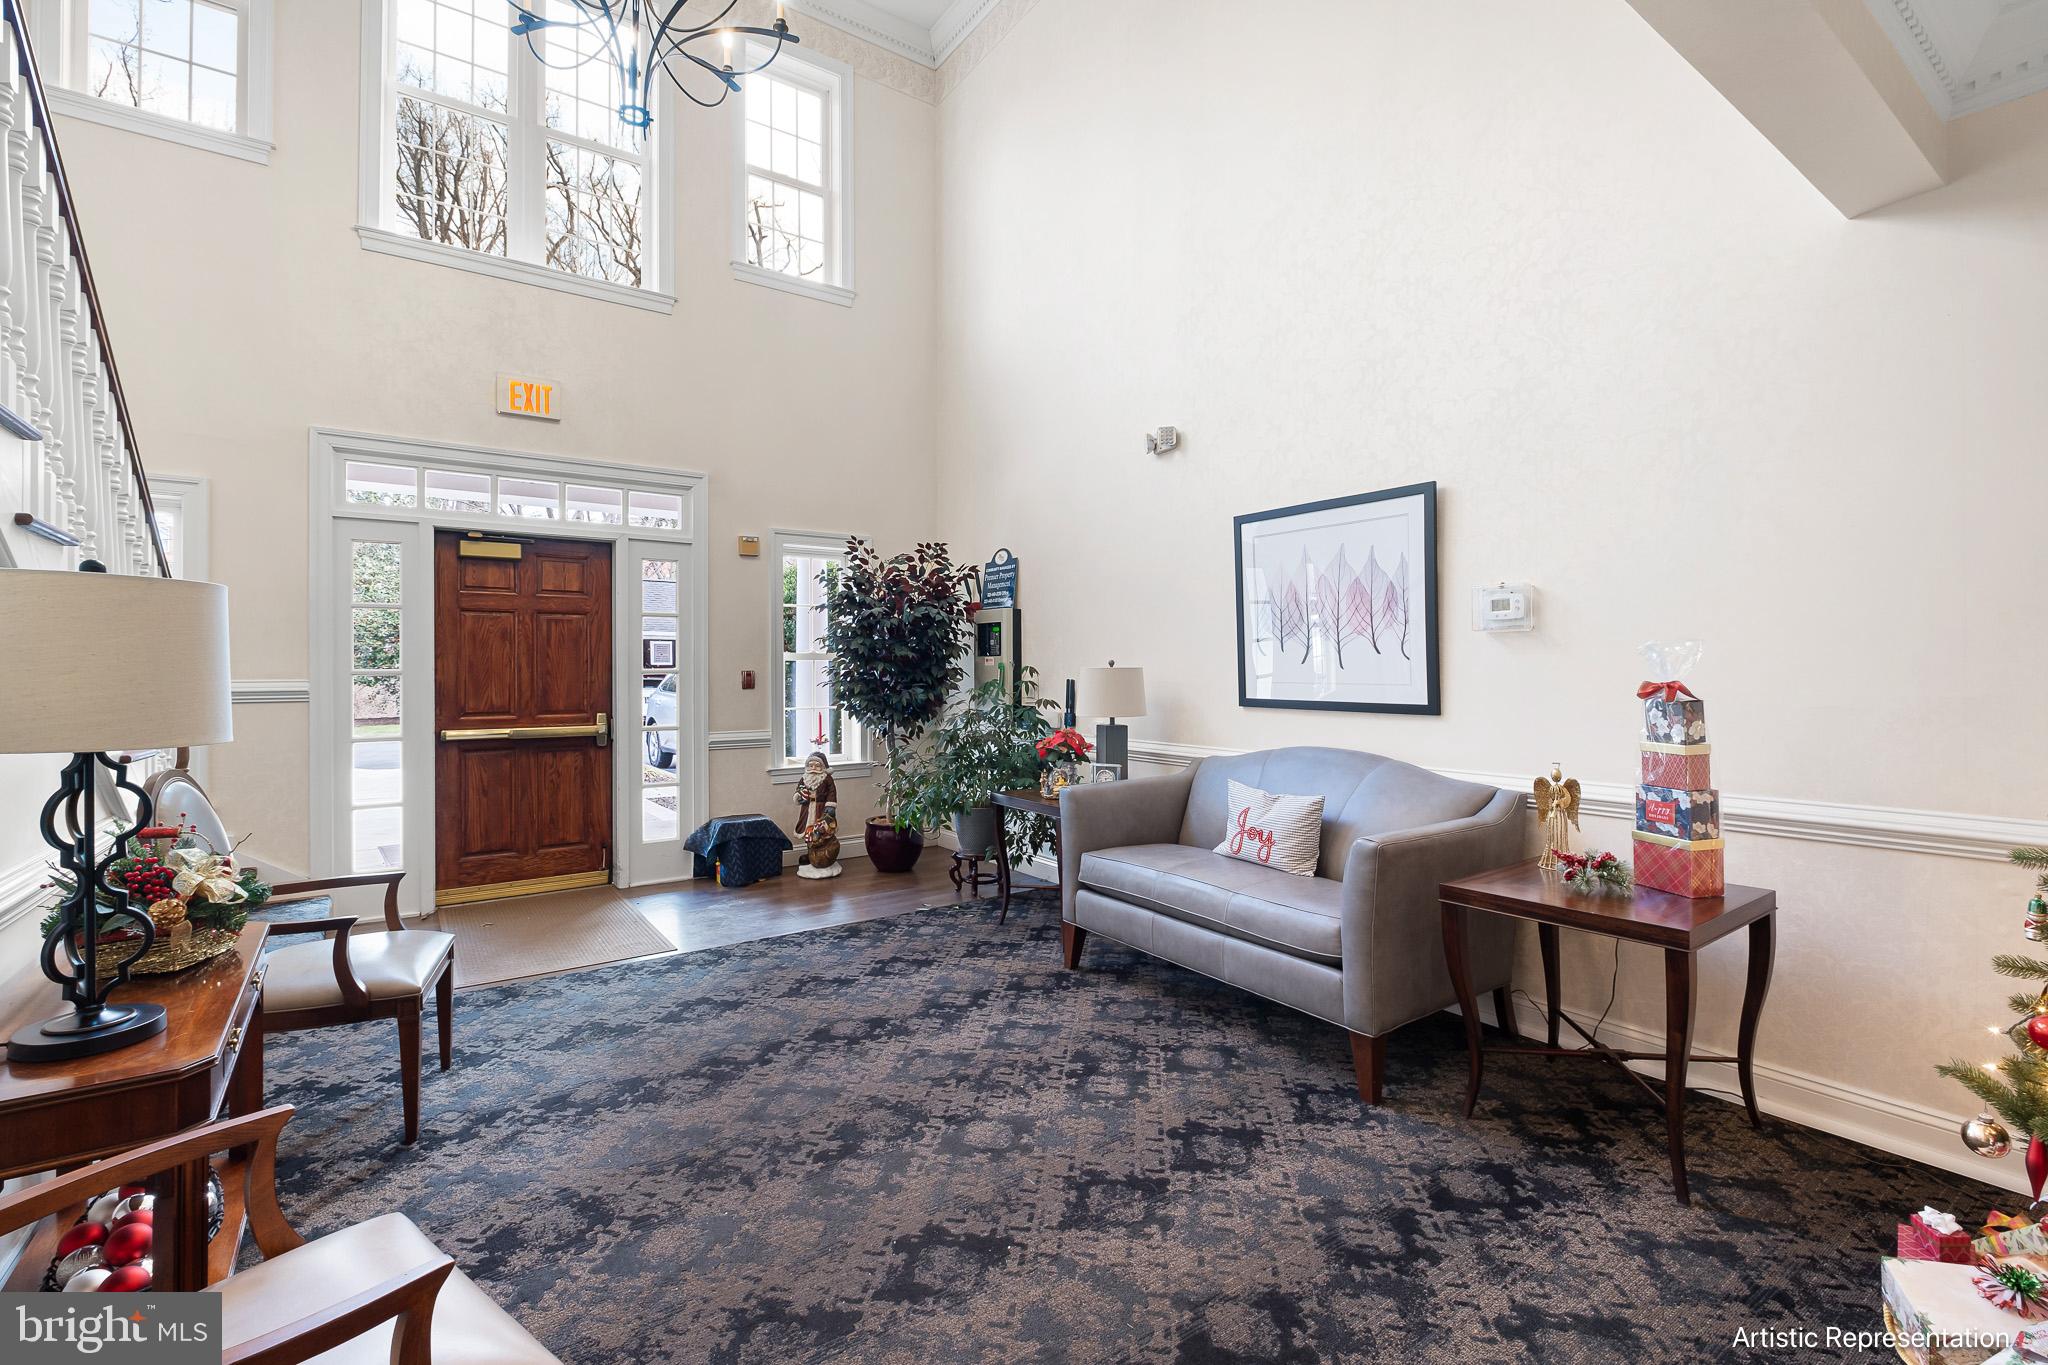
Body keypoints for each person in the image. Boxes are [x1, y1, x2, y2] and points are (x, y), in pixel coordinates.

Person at [792, 751, 842, 880]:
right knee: (807, 830)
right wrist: (799, 797)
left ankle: (821, 855)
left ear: (823, 766)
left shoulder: (827, 779)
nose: (813, 768)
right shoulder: (804, 778)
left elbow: (832, 793)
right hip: (808, 808)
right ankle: (810, 853)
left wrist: (830, 807)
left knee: (820, 830)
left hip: (821, 808)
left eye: (817, 765)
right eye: (811, 765)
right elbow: (799, 790)